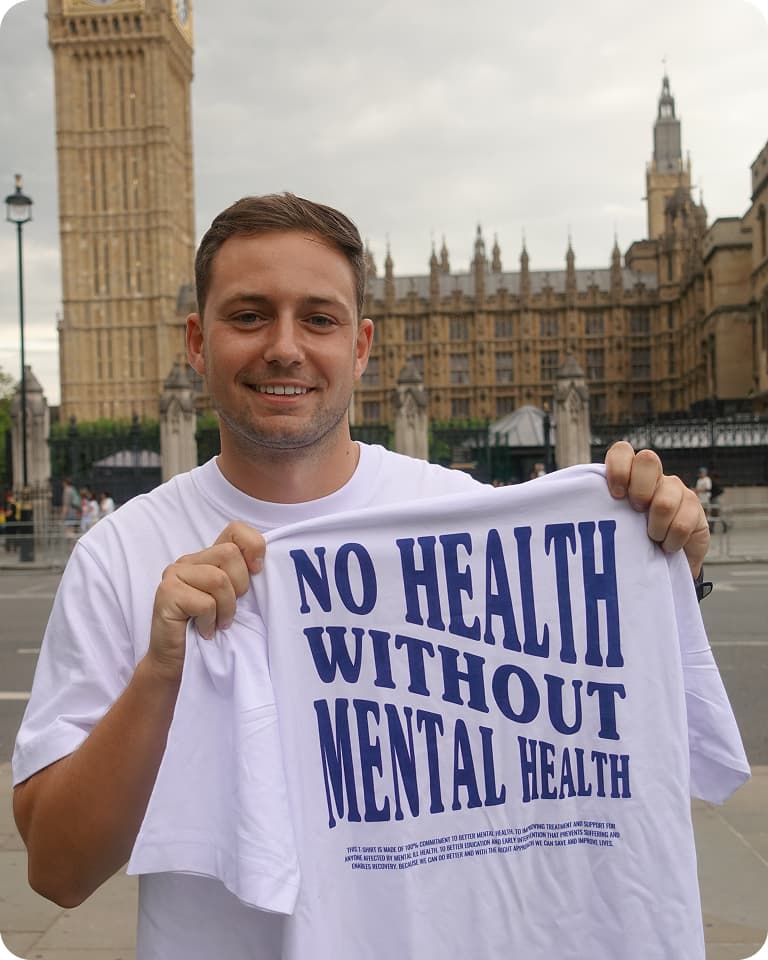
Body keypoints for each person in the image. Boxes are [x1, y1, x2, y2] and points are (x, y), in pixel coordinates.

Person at [12, 194, 711, 956]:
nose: (284, 347)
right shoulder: (120, 555)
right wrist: (160, 673)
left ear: (363, 344)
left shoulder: (470, 525)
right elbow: (58, 871)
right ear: (195, 340)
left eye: (319, 318)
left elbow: (615, 743)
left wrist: (650, 565)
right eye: (248, 316)